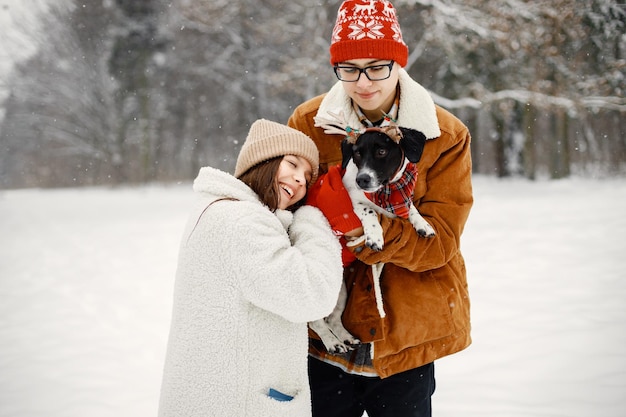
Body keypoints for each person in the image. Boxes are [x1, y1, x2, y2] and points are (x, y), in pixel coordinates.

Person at [287, 1, 474, 416]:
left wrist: (370, 234)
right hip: (322, 337)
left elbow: (440, 242)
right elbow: (278, 207)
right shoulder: (307, 124)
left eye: (376, 66)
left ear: (398, 62)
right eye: (349, 68)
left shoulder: (444, 135)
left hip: (406, 334)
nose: (363, 81)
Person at [157, 119, 344, 417]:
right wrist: (313, 218)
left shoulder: (217, 210)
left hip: (211, 396)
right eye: (292, 164)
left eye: (307, 178)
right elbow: (312, 295)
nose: (299, 180)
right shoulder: (244, 222)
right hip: (238, 404)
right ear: (263, 161)